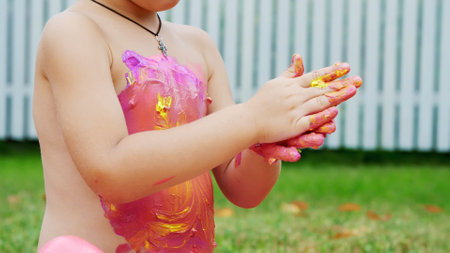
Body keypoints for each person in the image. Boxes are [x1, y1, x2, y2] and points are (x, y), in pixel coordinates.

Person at [33, 0, 361, 252]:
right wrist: (251, 118)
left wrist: (265, 140)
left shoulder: (197, 45)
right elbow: (111, 171)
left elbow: (244, 190)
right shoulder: (74, 32)